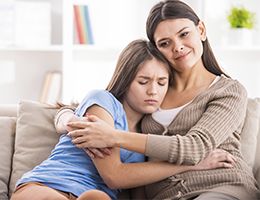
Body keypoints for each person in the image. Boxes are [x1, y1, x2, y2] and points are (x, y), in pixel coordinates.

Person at [63, 0, 260, 199]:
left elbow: (195, 148)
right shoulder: (153, 90)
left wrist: (113, 136)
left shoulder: (229, 91)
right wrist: (66, 117)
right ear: (156, 49)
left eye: (184, 34)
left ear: (201, 30)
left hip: (222, 187)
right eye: (165, 43)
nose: (178, 47)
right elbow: (95, 105)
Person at [10, 39, 234, 200]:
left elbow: (137, 189)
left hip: (96, 197)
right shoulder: (102, 102)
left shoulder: (148, 132)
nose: (153, 91)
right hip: (49, 184)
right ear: (126, 81)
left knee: (95, 197)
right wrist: (190, 166)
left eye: (161, 82)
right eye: (143, 81)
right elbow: (114, 176)